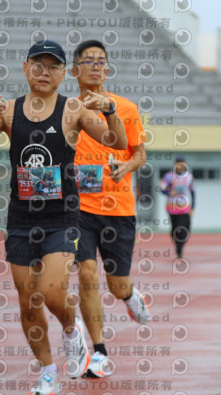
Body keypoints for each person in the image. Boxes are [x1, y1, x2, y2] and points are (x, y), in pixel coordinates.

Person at [0, 40, 127, 395]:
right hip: (21, 219)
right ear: (25, 68)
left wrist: (109, 109)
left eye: (52, 67)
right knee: (28, 301)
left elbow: (117, 141)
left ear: (64, 73)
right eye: (38, 65)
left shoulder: (73, 110)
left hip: (62, 218)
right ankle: (48, 371)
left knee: (51, 290)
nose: (44, 72)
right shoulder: (8, 111)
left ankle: (71, 329)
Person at [71, 40, 150, 378]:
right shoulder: (66, 110)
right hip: (79, 209)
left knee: (116, 285)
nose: (95, 66)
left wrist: (127, 167)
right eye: (88, 60)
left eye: (101, 61)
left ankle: (129, 295)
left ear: (108, 68)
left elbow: (140, 154)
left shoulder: (126, 109)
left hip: (118, 208)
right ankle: (99, 351)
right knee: (87, 274)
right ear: (74, 69)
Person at [160, 157, 195, 258]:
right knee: (175, 228)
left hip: (185, 208)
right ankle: (177, 245)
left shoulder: (189, 177)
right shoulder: (168, 176)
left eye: (182, 164)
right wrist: (169, 192)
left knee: (185, 228)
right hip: (172, 208)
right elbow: (162, 188)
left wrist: (193, 207)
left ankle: (180, 246)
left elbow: (193, 192)